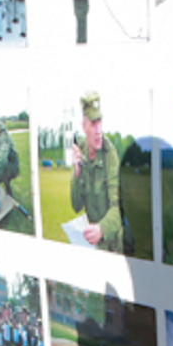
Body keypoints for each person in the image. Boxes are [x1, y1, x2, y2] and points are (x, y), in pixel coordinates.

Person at [69, 90, 128, 252]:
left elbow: (118, 208)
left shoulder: (110, 154)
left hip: (113, 244)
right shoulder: (79, 151)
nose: (98, 130)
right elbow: (76, 205)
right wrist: (77, 173)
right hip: (92, 245)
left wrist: (102, 229)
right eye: (93, 124)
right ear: (84, 126)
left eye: (100, 122)